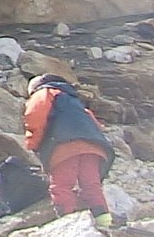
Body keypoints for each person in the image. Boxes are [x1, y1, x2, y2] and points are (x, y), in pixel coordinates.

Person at [23, 74, 115, 227]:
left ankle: (69, 224)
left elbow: (35, 117)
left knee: (62, 186)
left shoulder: (44, 93)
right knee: (91, 185)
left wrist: (32, 144)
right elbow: (93, 122)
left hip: (64, 145)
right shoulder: (72, 100)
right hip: (93, 146)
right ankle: (105, 223)